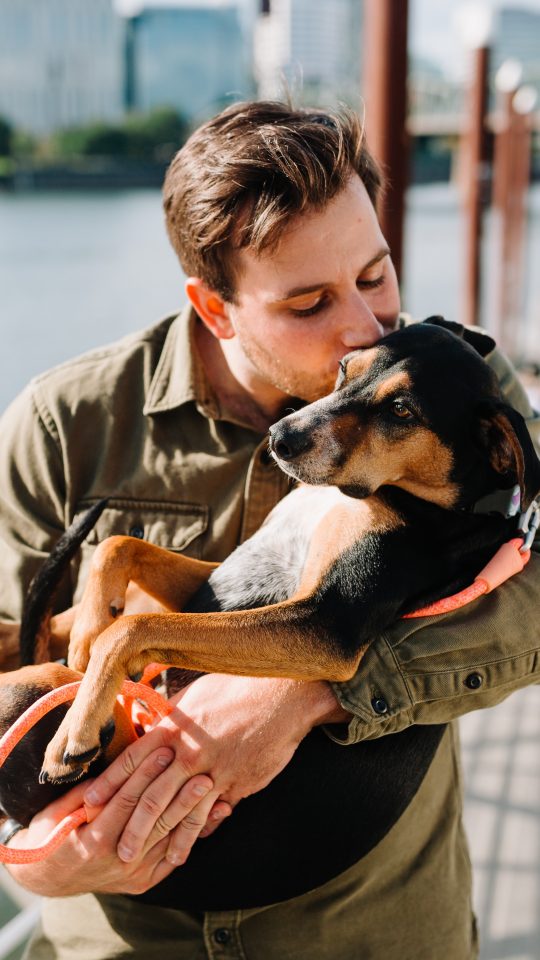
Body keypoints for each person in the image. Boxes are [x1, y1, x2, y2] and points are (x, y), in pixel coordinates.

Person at [0, 100, 539, 960]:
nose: (364, 329)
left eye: (375, 275)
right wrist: (32, 858)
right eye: (308, 303)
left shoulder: (460, 383)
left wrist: (308, 687)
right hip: (124, 943)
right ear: (214, 310)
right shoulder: (61, 425)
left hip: (373, 935)